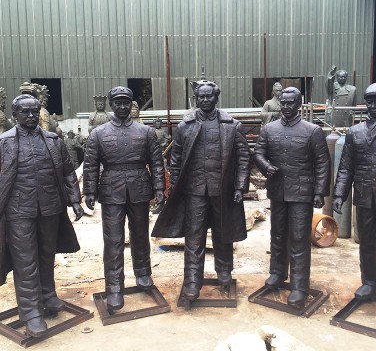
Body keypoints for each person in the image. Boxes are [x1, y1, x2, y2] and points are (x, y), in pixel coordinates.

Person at [152, 80, 250, 300]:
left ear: (216, 97)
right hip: (194, 191)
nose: (205, 100)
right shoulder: (185, 127)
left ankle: (224, 271)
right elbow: (176, 160)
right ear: (196, 99)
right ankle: (193, 280)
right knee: (194, 236)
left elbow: (244, 158)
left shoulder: (232, 125)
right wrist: (174, 187)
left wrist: (240, 186)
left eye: (209, 96)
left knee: (223, 233)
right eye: (201, 97)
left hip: (222, 190)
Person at [0, 94, 83, 337]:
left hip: (50, 207)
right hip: (18, 210)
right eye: (24, 112)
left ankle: (48, 295)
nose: (30, 116)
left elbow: (68, 172)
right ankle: (31, 312)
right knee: (25, 260)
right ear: (14, 115)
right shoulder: (4, 142)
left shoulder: (53, 140)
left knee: (47, 254)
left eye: (34, 111)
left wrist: (75, 200)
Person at [83, 86, 165, 311]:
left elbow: (157, 163)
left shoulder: (146, 132)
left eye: (125, 103)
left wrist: (159, 187)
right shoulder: (99, 133)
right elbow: (91, 165)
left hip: (139, 187)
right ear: (111, 105)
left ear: (131, 104)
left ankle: (143, 274)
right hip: (111, 190)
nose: (121, 106)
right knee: (113, 241)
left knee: (140, 235)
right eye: (117, 103)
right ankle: (114, 287)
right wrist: (89, 191)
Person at [253, 87, 330, 309]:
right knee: (277, 234)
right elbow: (258, 153)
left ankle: (299, 286)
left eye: (290, 103)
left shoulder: (312, 131)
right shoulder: (269, 129)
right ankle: (277, 273)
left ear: (299, 104)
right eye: (283, 103)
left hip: (301, 193)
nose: (286, 107)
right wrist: (265, 166)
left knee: (298, 238)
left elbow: (323, 163)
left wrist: (319, 192)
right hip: (278, 191)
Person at [333, 82, 376, 329]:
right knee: (367, 245)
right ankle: (371, 282)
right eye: (369, 101)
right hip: (364, 197)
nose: (373, 105)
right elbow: (346, 167)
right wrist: (339, 194)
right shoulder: (355, 132)